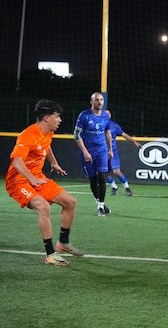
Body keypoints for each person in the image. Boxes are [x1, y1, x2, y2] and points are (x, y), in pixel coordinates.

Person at [5, 99, 83, 266]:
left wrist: (54, 163)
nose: (60, 120)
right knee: (43, 207)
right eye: (57, 116)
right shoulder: (28, 135)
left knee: (70, 202)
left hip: (37, 177)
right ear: (47, 118)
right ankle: (50, 254)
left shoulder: (48, 132)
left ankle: (63, 243)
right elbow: (17, 161)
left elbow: (46, 147)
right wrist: (31, 179)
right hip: (18, 181)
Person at [74, 92, 113, 216]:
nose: (99, 102)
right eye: (96, 100)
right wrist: (85, 152)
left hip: (101, 150)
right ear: (91, 102)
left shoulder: (106, 116)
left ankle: (101, 205)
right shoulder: (84, 115)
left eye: (101, 100)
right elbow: (77, 135)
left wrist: (110, 149)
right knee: (93, 179)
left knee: (102, 176)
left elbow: (107, 132)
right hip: (88, 151)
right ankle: (98, 202)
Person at [104, 110, 141, 196]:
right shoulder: (98, 126)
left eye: (108, 114)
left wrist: (134, 142)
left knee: (116, 171)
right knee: (104, 172)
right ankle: (114, 187)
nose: (106, 115)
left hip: (112, 152)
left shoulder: (114, 126)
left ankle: (127, 187)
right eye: (105, 114)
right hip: (102, 153)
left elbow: (124, 135)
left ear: (110, 116)